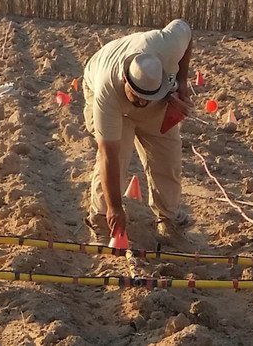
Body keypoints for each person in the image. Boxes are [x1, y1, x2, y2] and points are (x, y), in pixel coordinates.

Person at [81, 19, 194, 244]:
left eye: (147, 98)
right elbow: (108, 155)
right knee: (119, 152)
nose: (141, 103)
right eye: (138, 97)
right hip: (106, 93)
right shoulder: (107, 91)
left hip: (159, 101)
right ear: (126, 80)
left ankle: (168, 217)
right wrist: (116, 207)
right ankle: (103, 218)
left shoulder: (168, 44)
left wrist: (182, 80)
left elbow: (186, 30)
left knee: (168, 158)